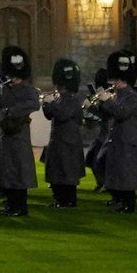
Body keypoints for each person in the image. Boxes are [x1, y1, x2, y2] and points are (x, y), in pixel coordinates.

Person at [0, 45, 39, 217]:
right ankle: (10, 204)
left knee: (19, 171)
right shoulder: (5, 88)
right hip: (7, 134)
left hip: (20, 133)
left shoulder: (28, 88)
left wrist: (11, 111)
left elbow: (33, 104)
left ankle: (20, 207)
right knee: (6, 171)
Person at [98, 51, 137, 213]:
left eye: (115, 80)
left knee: (127, 174)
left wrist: (107, 100)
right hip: (118, 140)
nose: (113, 83)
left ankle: (128, 203)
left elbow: (121, 113)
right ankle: (118, 199)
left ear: (121, 80)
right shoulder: (118, 95)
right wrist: (100, 103)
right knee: (117, 172)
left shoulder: (131, 96)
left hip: (127, 140)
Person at [41, 58, 85, 209]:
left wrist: (51, 103)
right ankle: (59, 199)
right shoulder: (61, 98)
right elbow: (50, 115)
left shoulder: (72, 100)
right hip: (59, 140)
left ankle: (69, 200)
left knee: (67, 173)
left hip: (68, 141)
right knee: (57, 171)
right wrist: (46, 104)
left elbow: (63, 114)